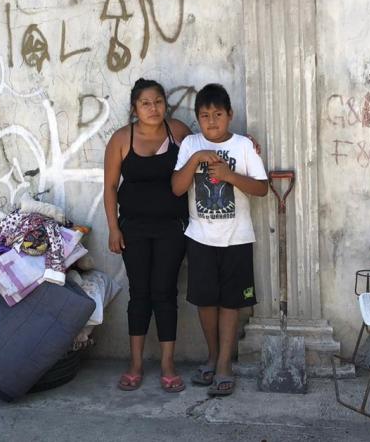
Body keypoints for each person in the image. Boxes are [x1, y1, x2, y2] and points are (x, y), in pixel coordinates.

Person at [171, 83, 268, 396]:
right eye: (204, 115)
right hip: (199, 237)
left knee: (231, 303)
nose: (211, 121)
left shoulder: (242, 146)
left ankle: (225, 363)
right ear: (197, 118)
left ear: (230, 115)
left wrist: (229, 176)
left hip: (237, 238)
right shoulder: (190, 144)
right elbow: (176, 187)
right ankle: (212, 355)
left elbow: (261, 188)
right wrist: (197, 156)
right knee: (206, 302)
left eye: (218, 114)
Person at [103, 78, 192, 393]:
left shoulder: (178, 132)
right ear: (134, 108)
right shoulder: (121, 139)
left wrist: (245, 142)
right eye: (145, 103)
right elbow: (111, 187)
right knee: (140, 294)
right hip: (133, 229)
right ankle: (136, 364)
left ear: (165, 104)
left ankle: (168, 364)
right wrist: (114, 228)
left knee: (165, 293)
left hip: (172, 227)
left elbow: (209, 150)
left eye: (158, 102)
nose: (153, 108)